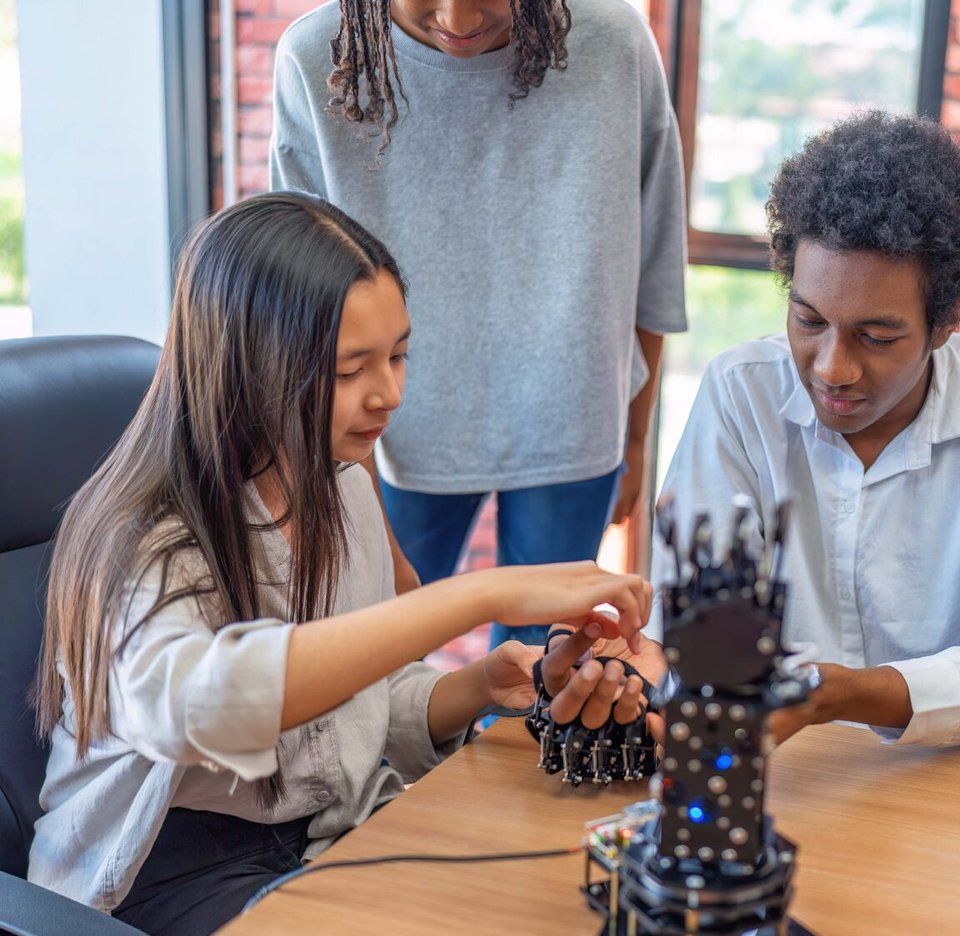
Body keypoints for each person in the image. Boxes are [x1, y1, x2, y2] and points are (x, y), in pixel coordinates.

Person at [28, 193, 650, 936]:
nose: (388, 392)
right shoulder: (146, 536)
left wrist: (481, 685)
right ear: (255, 362)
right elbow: (203, 706)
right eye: (352, 367)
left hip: (322, 838)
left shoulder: (341, 483)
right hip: (159, 888)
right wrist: (476, 594)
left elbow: (355, 707)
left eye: (397, 356)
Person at [555, 111, 960, 754]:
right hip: (784, 779)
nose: (833, 368)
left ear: (946, 319)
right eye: (808, 319)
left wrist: (850, 694)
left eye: (877, 336)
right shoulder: (740, 394)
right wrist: (640, 659)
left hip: (954, 782)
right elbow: (693, 620)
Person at [270, 0, 687, 642]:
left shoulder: (614, 42)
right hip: (384, 434)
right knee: (376, 663)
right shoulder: (317, 55)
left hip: (574, 418)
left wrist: (635, 439)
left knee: (536, 686)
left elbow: (657, 258)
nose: (458, 19)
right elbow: (299, 305)